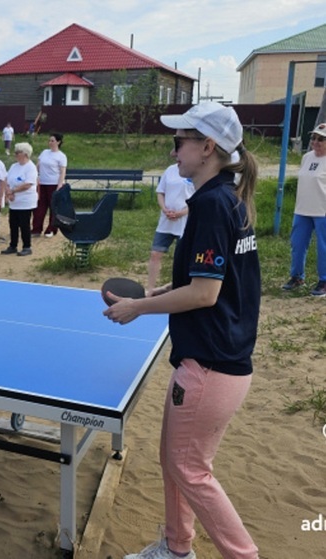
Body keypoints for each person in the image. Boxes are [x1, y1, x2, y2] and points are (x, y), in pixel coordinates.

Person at [104, 102, 260, 559]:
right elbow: (209, 280)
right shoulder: (226, 198)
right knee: (173, 462)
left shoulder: (213, 204)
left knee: (190, 469)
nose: (174, 151)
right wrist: (160, 292)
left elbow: (205, 295)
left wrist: (139, 307)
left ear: (207, 147)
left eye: (181, 141)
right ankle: (177, 550)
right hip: (211, 358)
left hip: (211, 365)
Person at [281, 122, 326, 296]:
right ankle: (297, 276)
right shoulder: (306, 157)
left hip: (322, 211)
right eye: (314, 138)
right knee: (298, 244)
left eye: (320, 139)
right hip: (302, 209)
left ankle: (324, 280)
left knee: (323, 247)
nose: (315, 142)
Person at [146, 163, 196, 292]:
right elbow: (160, 192)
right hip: (166, 220)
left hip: (185, 221)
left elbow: (198, 197)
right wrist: (165, 209)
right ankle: (150, 289)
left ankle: (178, 288)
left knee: (181, 257)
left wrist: (181, 212)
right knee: (155, 253)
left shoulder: (194, 169)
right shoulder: (170, 170)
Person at [1, 142, 38, 256]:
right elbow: (7, 179)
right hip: (14, 201)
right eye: (15, 152)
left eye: (18, 152)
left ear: (25, 154)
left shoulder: (31, 167)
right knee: (13, 224)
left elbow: (28, 184)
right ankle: (13, 245)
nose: (16, 154)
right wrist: (8, 192)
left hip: (25, 201)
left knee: (24, 224)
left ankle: (27, 246)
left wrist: (13, 191)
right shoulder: (14, 166)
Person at [32, 133, 67, 238]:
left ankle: (51, 229)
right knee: (39, 207)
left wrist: (59, 185)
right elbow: (37, 166)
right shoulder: (44, 153)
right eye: (49, 141)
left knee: (53, 207)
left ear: (58, 142)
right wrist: (34, 176)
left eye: (52, 141)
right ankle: (36, 229)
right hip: (42, 183)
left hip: (54, 184)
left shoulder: (61, 156)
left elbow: (62, 172)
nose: (50, 142)